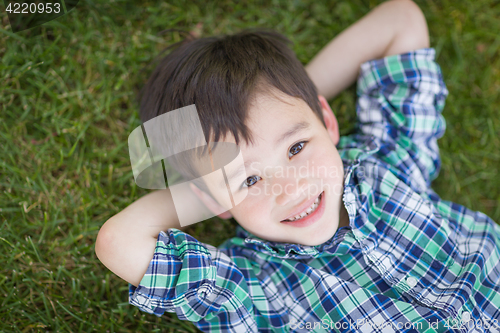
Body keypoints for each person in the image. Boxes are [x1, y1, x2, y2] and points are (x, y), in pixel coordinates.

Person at [95, 0, 500, 332]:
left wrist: (288, 96)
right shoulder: (254, 291)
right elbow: (119, 241)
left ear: (326, 120)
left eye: (296, 147)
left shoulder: (385, 158)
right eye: (251, 179)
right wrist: (210, 190)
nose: (290, 187)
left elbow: (400, 20)